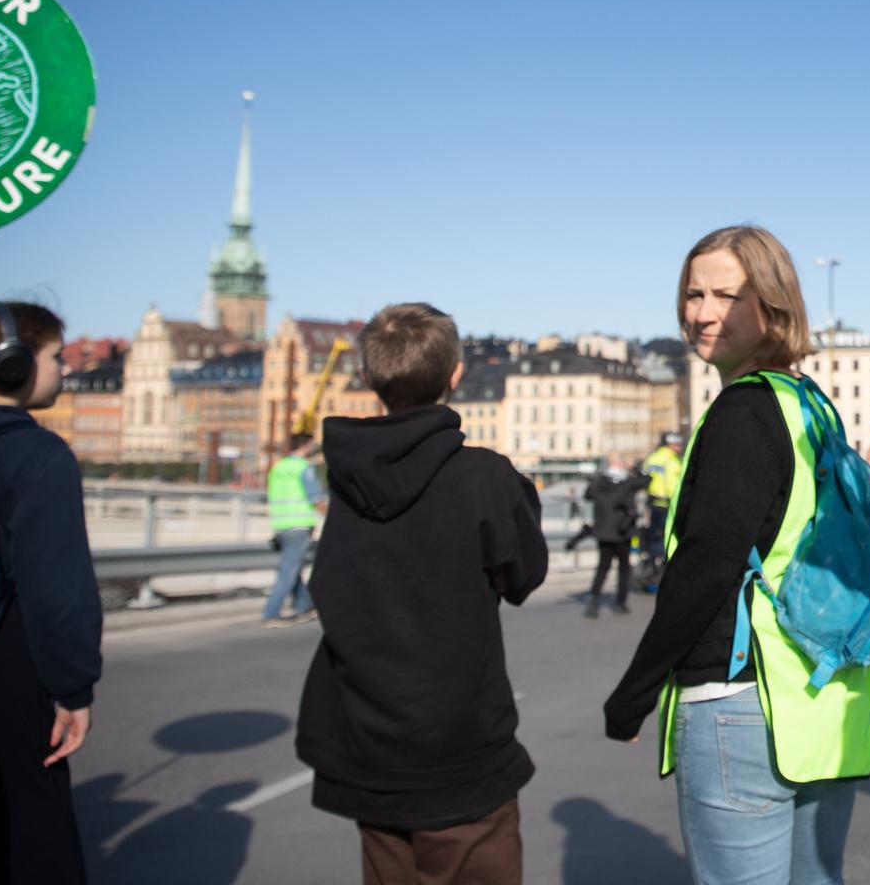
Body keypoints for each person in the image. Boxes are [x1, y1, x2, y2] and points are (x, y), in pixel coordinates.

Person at [604, 226, 870, 885]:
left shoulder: (743, 414)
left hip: (743, 705)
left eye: (727, 295)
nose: (702, 312)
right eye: (694, 293)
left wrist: (633, 694)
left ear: (773, 305)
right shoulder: (810, 407)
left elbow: (705, 566)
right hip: (827, 696)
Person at [295, 302, 549, 885]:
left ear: (369, 378)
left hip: (369, 745)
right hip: (458, 749)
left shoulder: (348, 477)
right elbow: (525, 576)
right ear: (455, 375)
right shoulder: (482, 475)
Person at [0, 301, 101, 884]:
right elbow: (56, 592)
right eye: (56, 357)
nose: (64, 369)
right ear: (10, 364)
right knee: (35, 824)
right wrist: (73, 688)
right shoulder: (36, 455)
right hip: (9, 670)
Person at [262, 431, 326, 628]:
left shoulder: (278, 467)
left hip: (280, 524)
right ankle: (271, 614)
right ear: (306, 445)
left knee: (293, 568)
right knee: (288, 571)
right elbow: (316, 499)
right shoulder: (303, 468)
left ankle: (305, 606)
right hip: (299, 525)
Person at [582, 462, 644, 618]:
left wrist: (598, 477)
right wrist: (637, 470)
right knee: (624, 569)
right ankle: (620, 603)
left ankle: (594, 599)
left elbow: (588, 495)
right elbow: (646, 480)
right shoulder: (627, 486)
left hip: (604, 534)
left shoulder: (599, 486)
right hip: (622, 534)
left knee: (602, 567)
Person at [640, 432, 681, 575]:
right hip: (666, 504)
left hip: (652, 502)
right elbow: (673, 485)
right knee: (665, 536)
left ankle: (650, 564)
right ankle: (661, 567)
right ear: (671, 445)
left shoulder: (653, 458)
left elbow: (644, 477)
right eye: (677, 445)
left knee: (652, 535)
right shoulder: (673, 461)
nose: (679, 448)